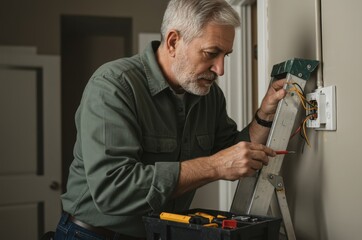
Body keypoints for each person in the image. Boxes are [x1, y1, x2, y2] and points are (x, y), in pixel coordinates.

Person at [53, 0, 287, 239]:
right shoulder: (113, 85)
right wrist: (214, 166)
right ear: (173, 42)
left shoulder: (210, 95)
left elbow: (234, 154)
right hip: (93, 235)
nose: (220, 69)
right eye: (211, 53)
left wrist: (265, 115)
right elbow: (114, 190)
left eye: (225, 55)